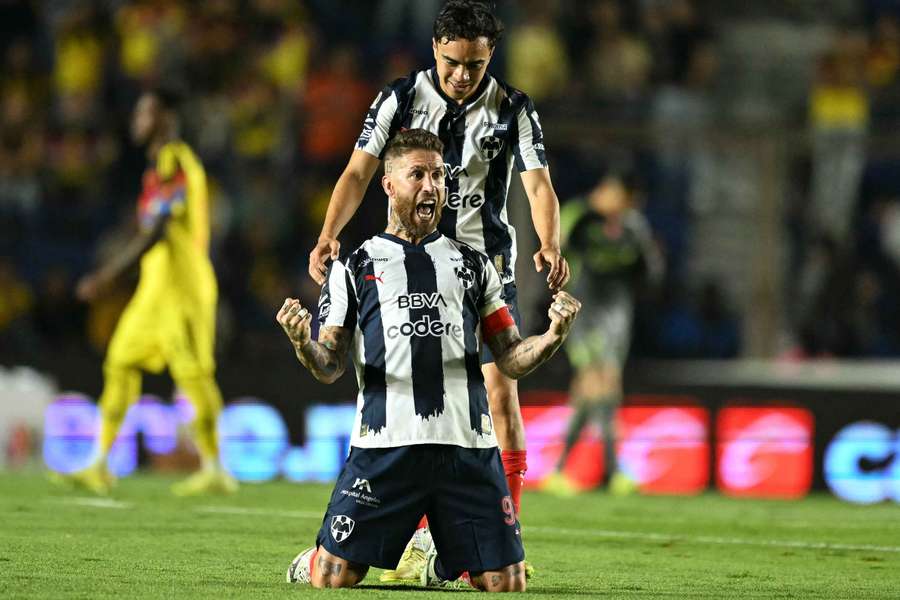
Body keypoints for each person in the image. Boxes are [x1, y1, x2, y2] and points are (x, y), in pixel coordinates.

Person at [306, 0, 569, 580]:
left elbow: (538, 184)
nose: (462, 75)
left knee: (500, 401)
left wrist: (549, 243)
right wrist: (328, 234)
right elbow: (358, 170)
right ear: (435, 49)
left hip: (482, 271)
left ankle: (501, 542)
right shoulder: (399, 98)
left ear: (491, 56)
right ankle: (391, 535)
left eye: (475, 64)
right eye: (452, 62)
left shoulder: (514, 108)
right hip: (406, 266)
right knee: (404, 398)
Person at [282, 129, 580, 591]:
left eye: (439, 176)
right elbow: (330, 366)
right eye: (417, 175)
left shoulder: (474, 265)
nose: (431, 186)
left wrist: (553, 335)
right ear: (389, 185)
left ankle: (438, 565)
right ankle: (315, 558)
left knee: (506, 583)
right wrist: (303, 341)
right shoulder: (354, 266)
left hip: (468, 449)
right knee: (334, 578)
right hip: (386, 448)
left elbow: (510, 358)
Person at [55, 88, 236, 497]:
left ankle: (215, 468)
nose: (137, 122)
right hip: (156, 288)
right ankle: (100, 463)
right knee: (120, 361)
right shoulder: (157, 167)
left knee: (193, 375)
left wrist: (107, 276)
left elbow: (158, 229)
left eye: (145, 114)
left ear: (165, 118)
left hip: (182, 286)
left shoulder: (174, 158)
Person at [542, 171, 663, 496]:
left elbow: (651, 272)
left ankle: (560, 470)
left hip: (617, 316)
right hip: (584, 313)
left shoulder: (633, 226)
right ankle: (612, 471)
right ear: (608, 191)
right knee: (601, 381)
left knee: (590, 391)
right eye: (623, 199)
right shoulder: (579, 216)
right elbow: (556, 255)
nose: (625, 207)